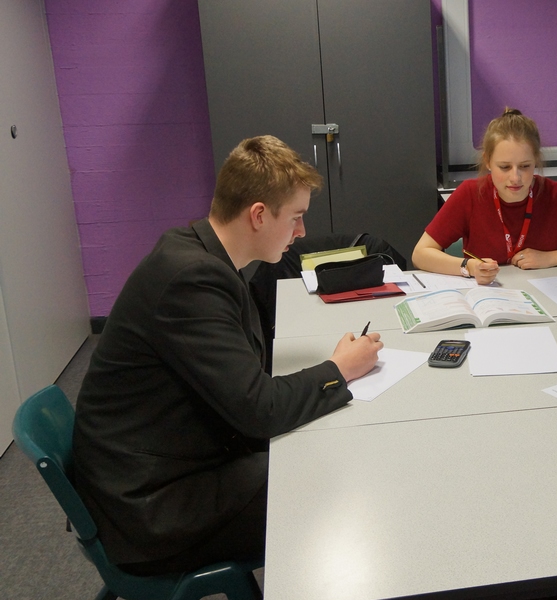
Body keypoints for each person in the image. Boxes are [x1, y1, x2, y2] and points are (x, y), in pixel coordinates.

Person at [72, 135, 383, 575]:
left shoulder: (196, 252)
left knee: (320, 453)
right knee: (334, 486)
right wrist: (339, 369)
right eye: (295, 217)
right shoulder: (192, 279)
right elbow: (260, 410)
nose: (301, 233)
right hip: (151, 506)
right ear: (258, 215)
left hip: (167, 460)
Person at [412, 108, 557, 285]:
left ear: (536, 160)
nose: (515, 177)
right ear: (487, 161)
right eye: (504, 167)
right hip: (490, 297)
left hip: (551, 297)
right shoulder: (470, 194)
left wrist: (554, 258)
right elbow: (421, 253)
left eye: (525, 166)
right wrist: (467, 267)